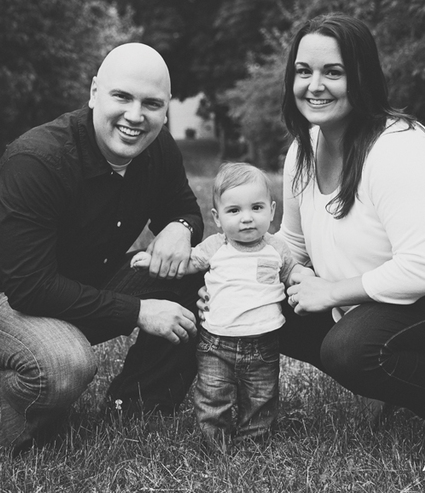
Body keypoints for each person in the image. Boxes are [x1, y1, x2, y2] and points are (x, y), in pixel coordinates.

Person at [202, 14, 425, 462]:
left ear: (361, 77)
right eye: (303, 71)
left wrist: (329, 291)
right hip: (380, 298)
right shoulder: (302, 151)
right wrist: (229, 285)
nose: (315, 85)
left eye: (333, 72)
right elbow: (290, 245)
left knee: (349, 350)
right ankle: (391, 381)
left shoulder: (400, 150)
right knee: (266, 304)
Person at [0, 43, 205, 457]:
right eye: (122, 97)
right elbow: (31, 287)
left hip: (86, 280)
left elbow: (183, 209)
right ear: (93, 93)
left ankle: (135, 409)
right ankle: (27, 429)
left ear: (165, 110)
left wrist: (181, 228)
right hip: (1, 297)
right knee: (64, 365)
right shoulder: (38, 159)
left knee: (192, 272)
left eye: (151, 104)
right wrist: (142, 311)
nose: (135, 116)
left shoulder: (157, 147)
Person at [132, 163, 311, 446]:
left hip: (263, 342)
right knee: (213, 395)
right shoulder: (216, 246)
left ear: (272, 211)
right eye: (234, 211)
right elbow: (189, 261)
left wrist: (306, 277)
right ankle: (215, 442)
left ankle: (255, 441)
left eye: (256, 208)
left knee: (261, 397)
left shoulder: (276, 247)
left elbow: (291, 272)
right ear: (217, 217)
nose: (247, 219)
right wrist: (152, 260)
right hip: (216, 343)